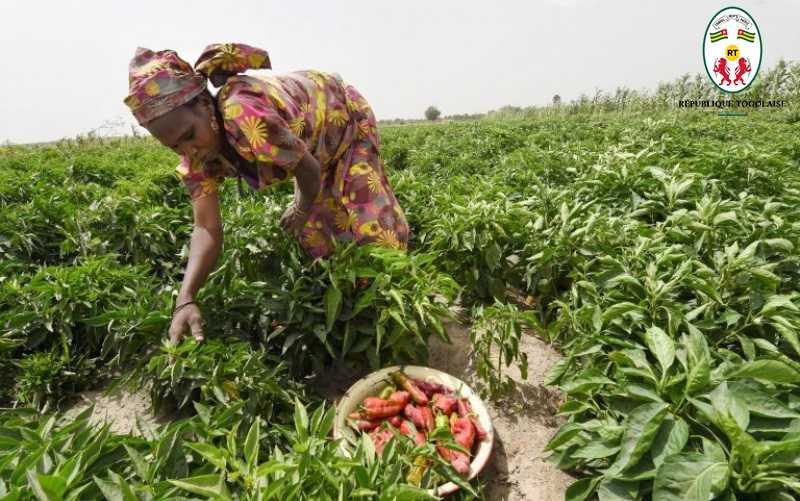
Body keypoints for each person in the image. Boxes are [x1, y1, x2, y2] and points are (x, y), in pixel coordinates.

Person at [124, 43, 409, 350]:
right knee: (318, 237)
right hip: (310, 149)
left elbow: (309, 171)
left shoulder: (243, 113)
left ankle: (398, 310)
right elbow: (206, 227)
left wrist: (300, 208)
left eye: (190, 136)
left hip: (344, 121)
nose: (189, 151)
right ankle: (357, 311)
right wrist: (185, 297)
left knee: (371, 223)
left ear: (206, 106)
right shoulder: (195, 160)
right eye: (176, 147)